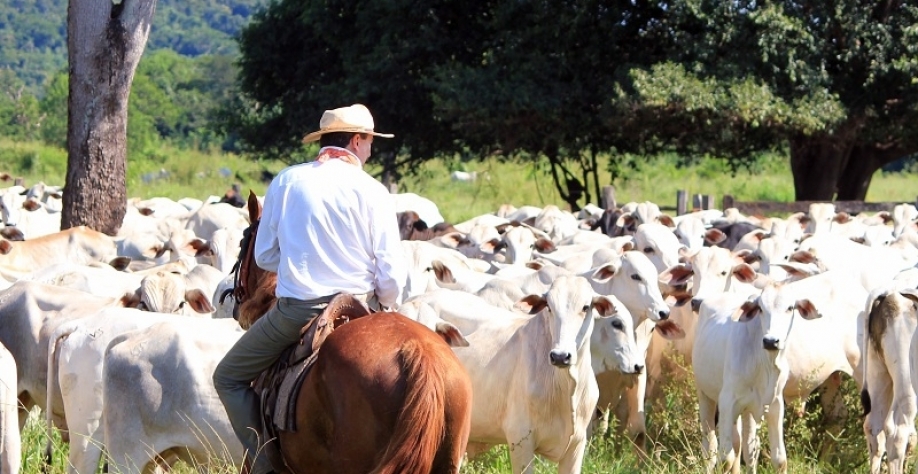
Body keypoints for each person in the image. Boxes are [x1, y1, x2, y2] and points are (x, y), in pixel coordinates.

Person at [212, 103, 407, 474]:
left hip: (299, 312)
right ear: (356, 140)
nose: (370, 150)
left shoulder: (287, 181)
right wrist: (385, 304)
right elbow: (391, 273)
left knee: (228, 377)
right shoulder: (374, 190)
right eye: (370, 141)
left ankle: (267, 465)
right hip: (362, 307)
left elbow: (265, 256)